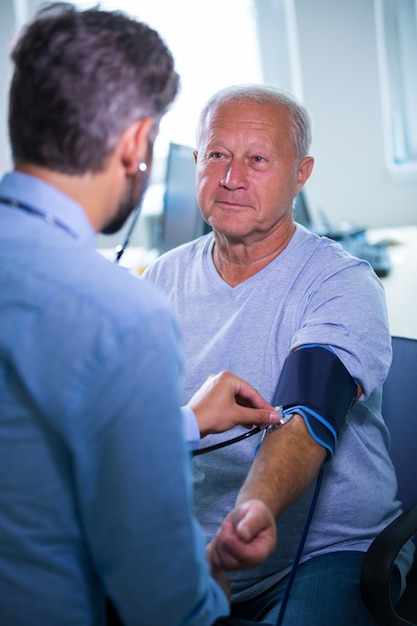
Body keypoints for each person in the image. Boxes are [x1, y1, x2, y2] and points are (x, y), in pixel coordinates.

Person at [0, 7, 279, 626]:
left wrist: (177, 423)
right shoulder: (120, 316)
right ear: (134, 143)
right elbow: (163, 600)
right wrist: (212, 594)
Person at [143, 84, 415, 625]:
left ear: (301, 174)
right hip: (191, 553)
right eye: (217, 154)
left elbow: (304, 415)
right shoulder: (160, 280)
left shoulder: (342, 283)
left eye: (258, 159)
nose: (231, 177)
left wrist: (253, 513)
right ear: (197, 162)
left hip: (326, 554)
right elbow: (127, 422)